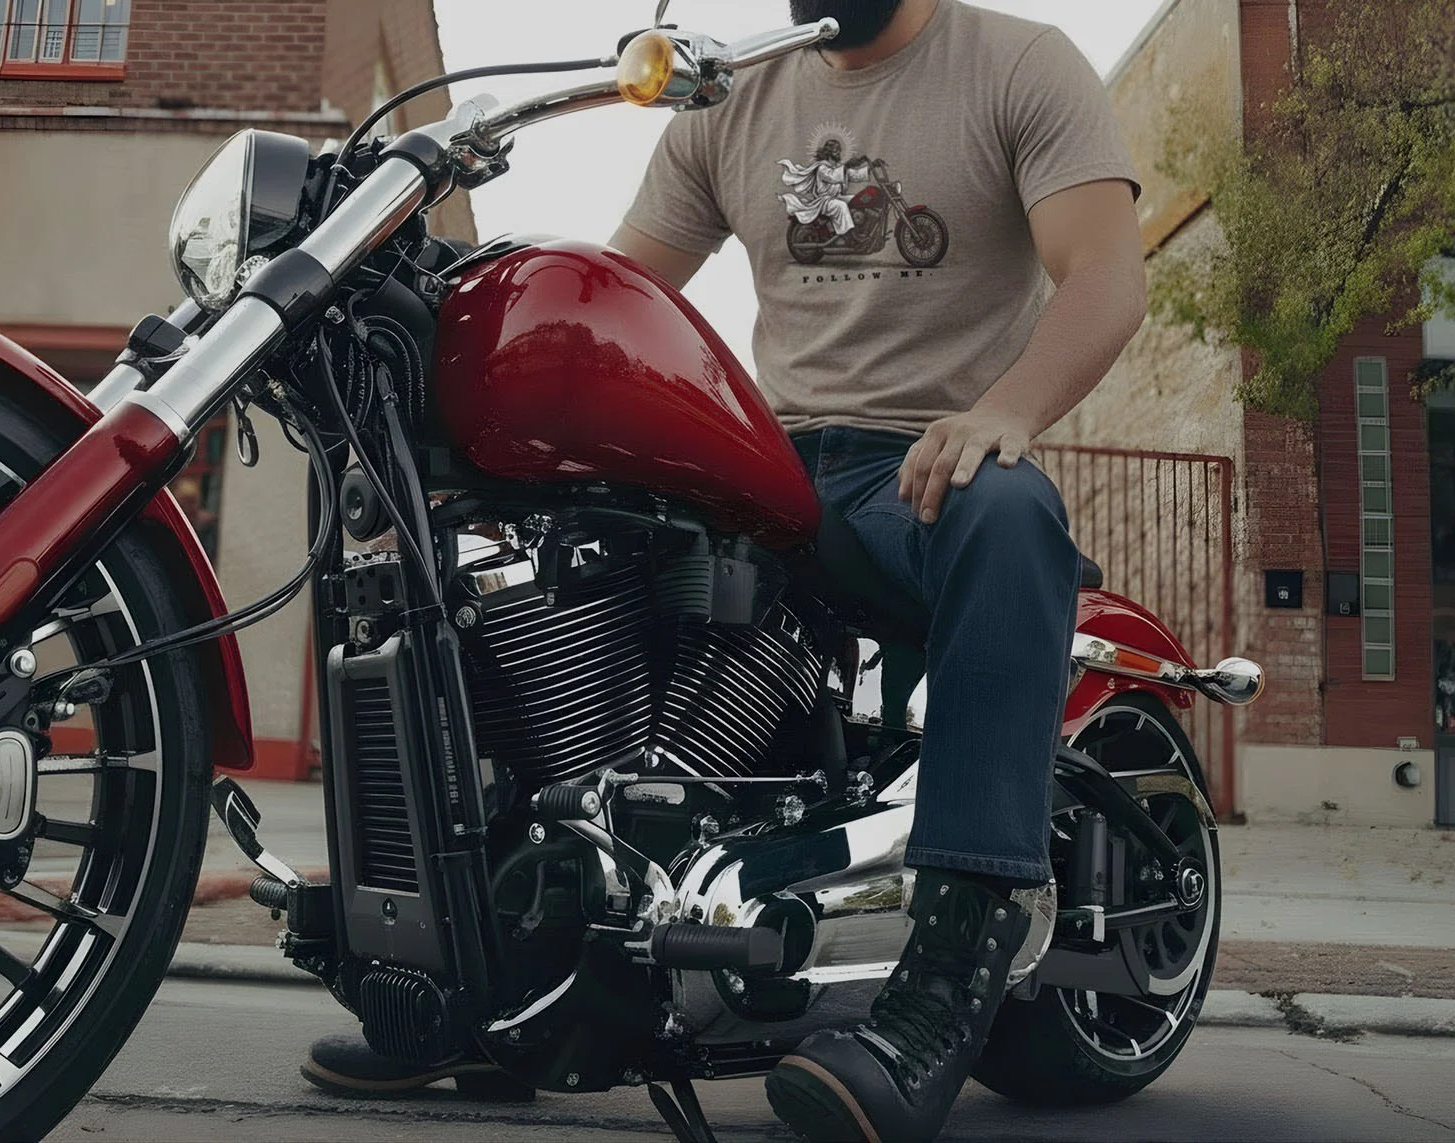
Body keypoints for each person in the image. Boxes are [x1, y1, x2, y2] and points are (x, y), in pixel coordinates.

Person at [304, 2, 1145, 1139]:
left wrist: (1005, 411)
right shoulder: (731, 95)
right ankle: (493, 968)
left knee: (1010, 509)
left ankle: (950, 974)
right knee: (523, 542)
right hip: (768, 459)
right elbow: (616, 291)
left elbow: (1104, 275)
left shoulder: (1018, 64)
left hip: (921, 467)